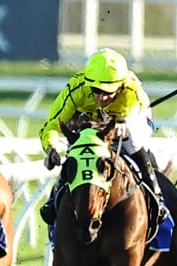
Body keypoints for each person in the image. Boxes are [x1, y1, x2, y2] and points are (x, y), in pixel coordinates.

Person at [39, 47, 167, 228]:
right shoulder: (77, 88)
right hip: (91, 123)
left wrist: (124, 122)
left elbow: (135, 111)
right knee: (78, 151)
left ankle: (157, 197)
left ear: (121, 85)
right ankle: (55, 197)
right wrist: (51, 147)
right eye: (96, 90)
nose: (102, 97)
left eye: (108, 92)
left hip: (132, 120)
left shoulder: (131, 89)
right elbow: (51, 124)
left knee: (134, 141)